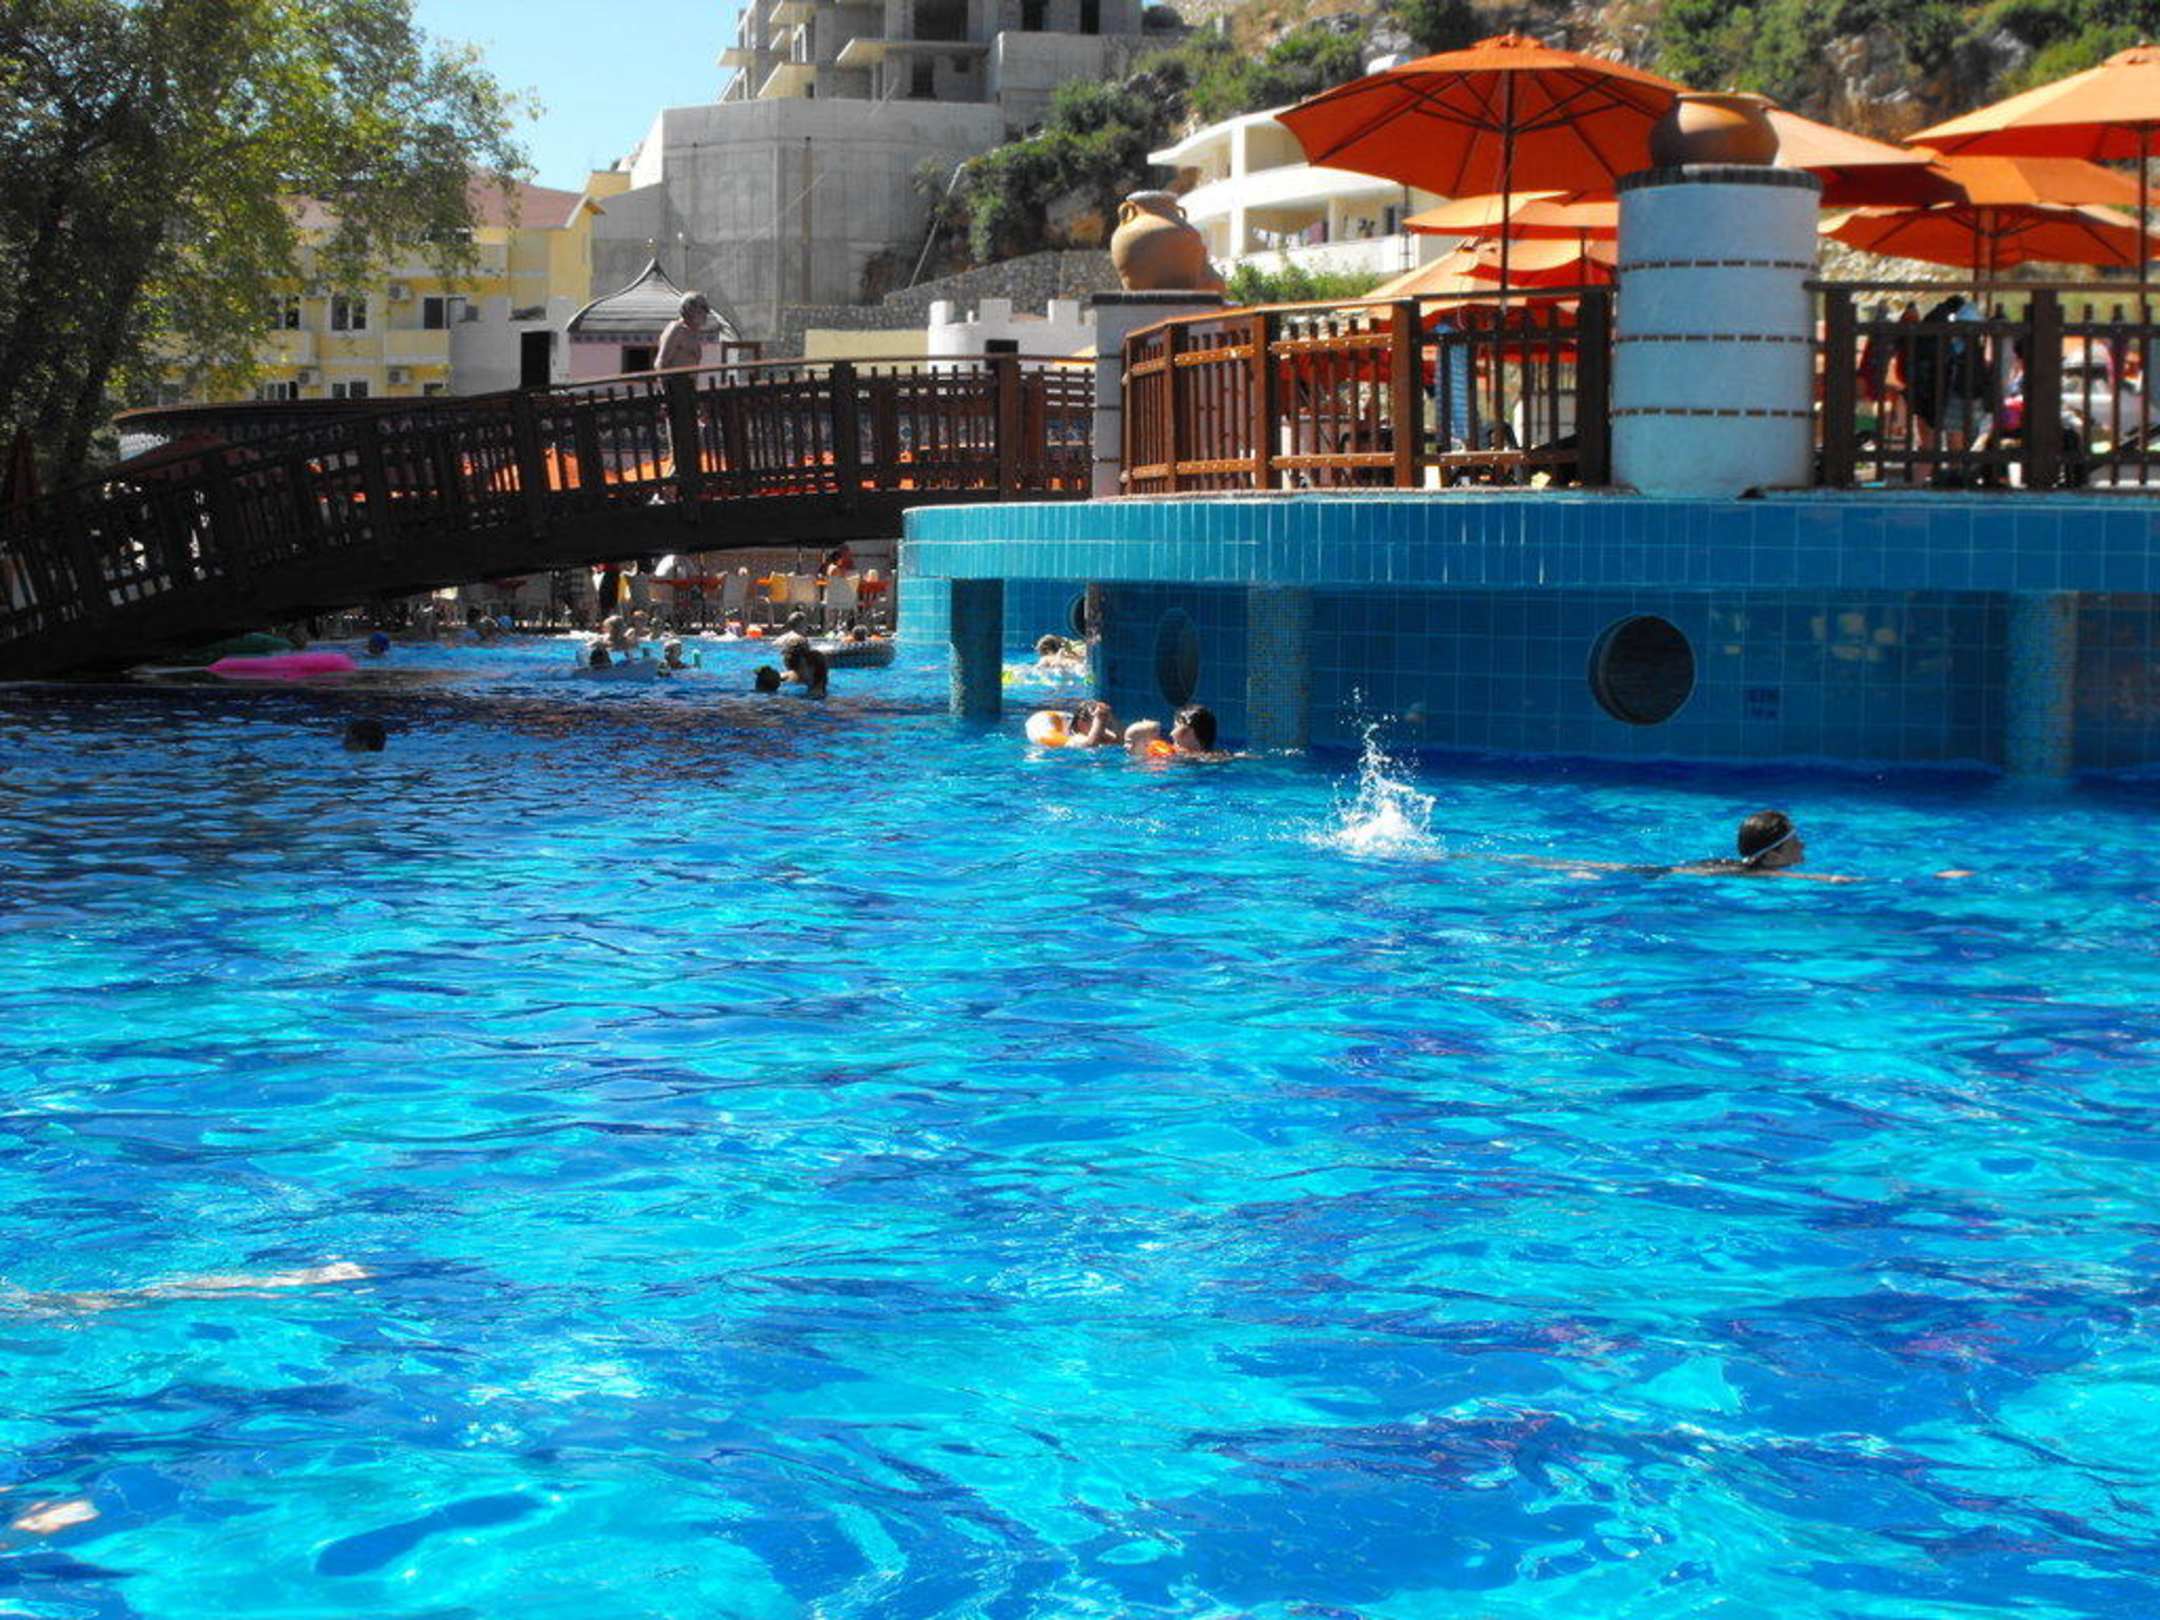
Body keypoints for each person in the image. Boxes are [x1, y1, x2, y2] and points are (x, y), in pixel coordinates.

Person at [654, 292, 712, 373]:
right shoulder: (677, 329)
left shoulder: (693, 333)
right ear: (690, 309)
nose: (705, 314)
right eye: (703, 309)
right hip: (676, 379)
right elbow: (660, 363)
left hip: (689, 379)